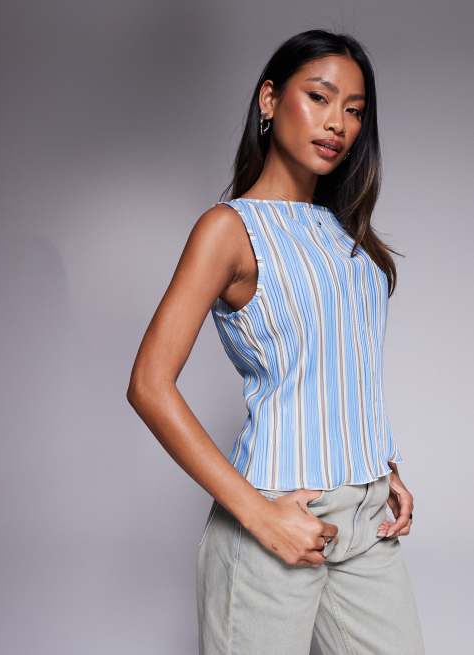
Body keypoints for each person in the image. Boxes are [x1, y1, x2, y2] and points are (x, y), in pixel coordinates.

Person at [127, 28, 425, 655]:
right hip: (275, 513)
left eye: (354, 110)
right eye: (319, 97)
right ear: (269, 99)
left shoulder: (343, 230)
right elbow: (149, 385)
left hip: (366, 519)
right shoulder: (227, 229)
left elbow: (340, 363)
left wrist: (382, 465)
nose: (337, 123)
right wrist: (259, 516)